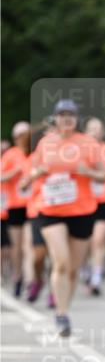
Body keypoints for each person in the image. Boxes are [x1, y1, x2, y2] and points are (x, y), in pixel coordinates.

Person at [24, 99, 105, 336]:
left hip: (82, 211)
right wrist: (37, 172)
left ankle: (64, 308)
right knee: (61, 262)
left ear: (76, 118)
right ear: (55, 118)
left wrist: (86, 171)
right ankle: (61, 314)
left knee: (73, 269)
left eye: (71, 114)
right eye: (62, 115)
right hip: (50, 210)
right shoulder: (45, 144)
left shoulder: (88, 143)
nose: (66, 119)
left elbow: (102, 175)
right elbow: (31, 174)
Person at [84, 117, 105, 296]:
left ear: (103, 132)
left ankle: (96, 278)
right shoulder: (78, 149)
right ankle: (87, 270)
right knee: (86, 242)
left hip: (104, 200)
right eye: (92, 128)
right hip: (84, 201)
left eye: (98, 129)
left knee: (99, 240)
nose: (95, 132)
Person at [0, 121, 32, 296]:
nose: (22, 138)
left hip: (33, 205)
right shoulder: (11, 155)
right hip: (15, 206)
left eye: (25, 134)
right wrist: (14, 173)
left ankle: (29, 280)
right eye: (19, 135)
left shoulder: (35, 153)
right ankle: (17, 276)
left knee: (29, 245)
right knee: (17, 247)